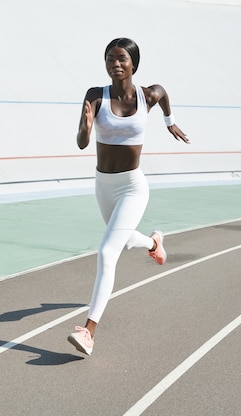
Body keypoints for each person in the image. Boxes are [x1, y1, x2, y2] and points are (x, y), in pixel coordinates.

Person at [67, 38, 190, 356]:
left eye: (121, 58)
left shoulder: (148, 95)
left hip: (133, 187)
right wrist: (86, 126)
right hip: (104, 185)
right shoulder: (96, 95)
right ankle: (153, 243)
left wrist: (169, 121)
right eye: (110, 58)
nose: (115, 63)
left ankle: (88, 331)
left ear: (134, 63)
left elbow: (162, 94)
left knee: (108, 252)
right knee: (120, 240)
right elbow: (82, 143)